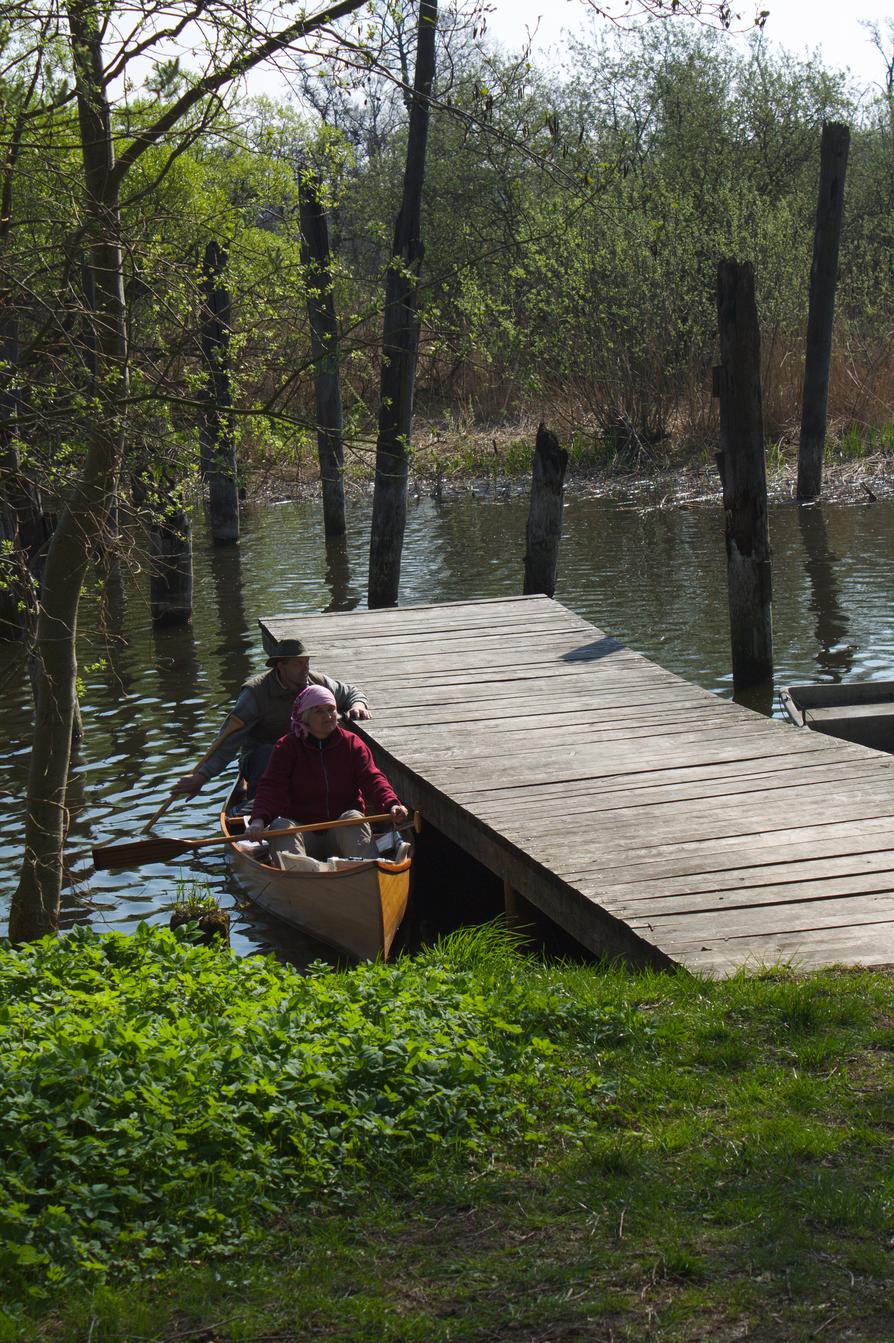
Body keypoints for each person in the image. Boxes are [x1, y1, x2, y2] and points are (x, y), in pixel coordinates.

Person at [173, 638, 371, 797]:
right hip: (263, 758)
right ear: (280, 666)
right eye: (297, 664)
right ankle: (257, 810)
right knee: (270, 753)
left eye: (307, 663)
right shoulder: (255, 694)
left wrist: (358, 705)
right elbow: (228, 740)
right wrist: (201, 777)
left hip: (306, 753)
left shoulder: (316, 683)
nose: (305, 669)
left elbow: (351, 693)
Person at [245, 685, 408, 867]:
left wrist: (392, 804)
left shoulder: (351, 744)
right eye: (319, 711)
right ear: (305, 716)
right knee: (281, 827)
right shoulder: (287, 747)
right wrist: (258, 820)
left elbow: (373, 779)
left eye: (331, 710)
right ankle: (299, 876)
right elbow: (272, 787)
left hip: (340, 834)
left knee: (353, 818)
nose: (328, 716)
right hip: (303, 832)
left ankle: (366, 871)